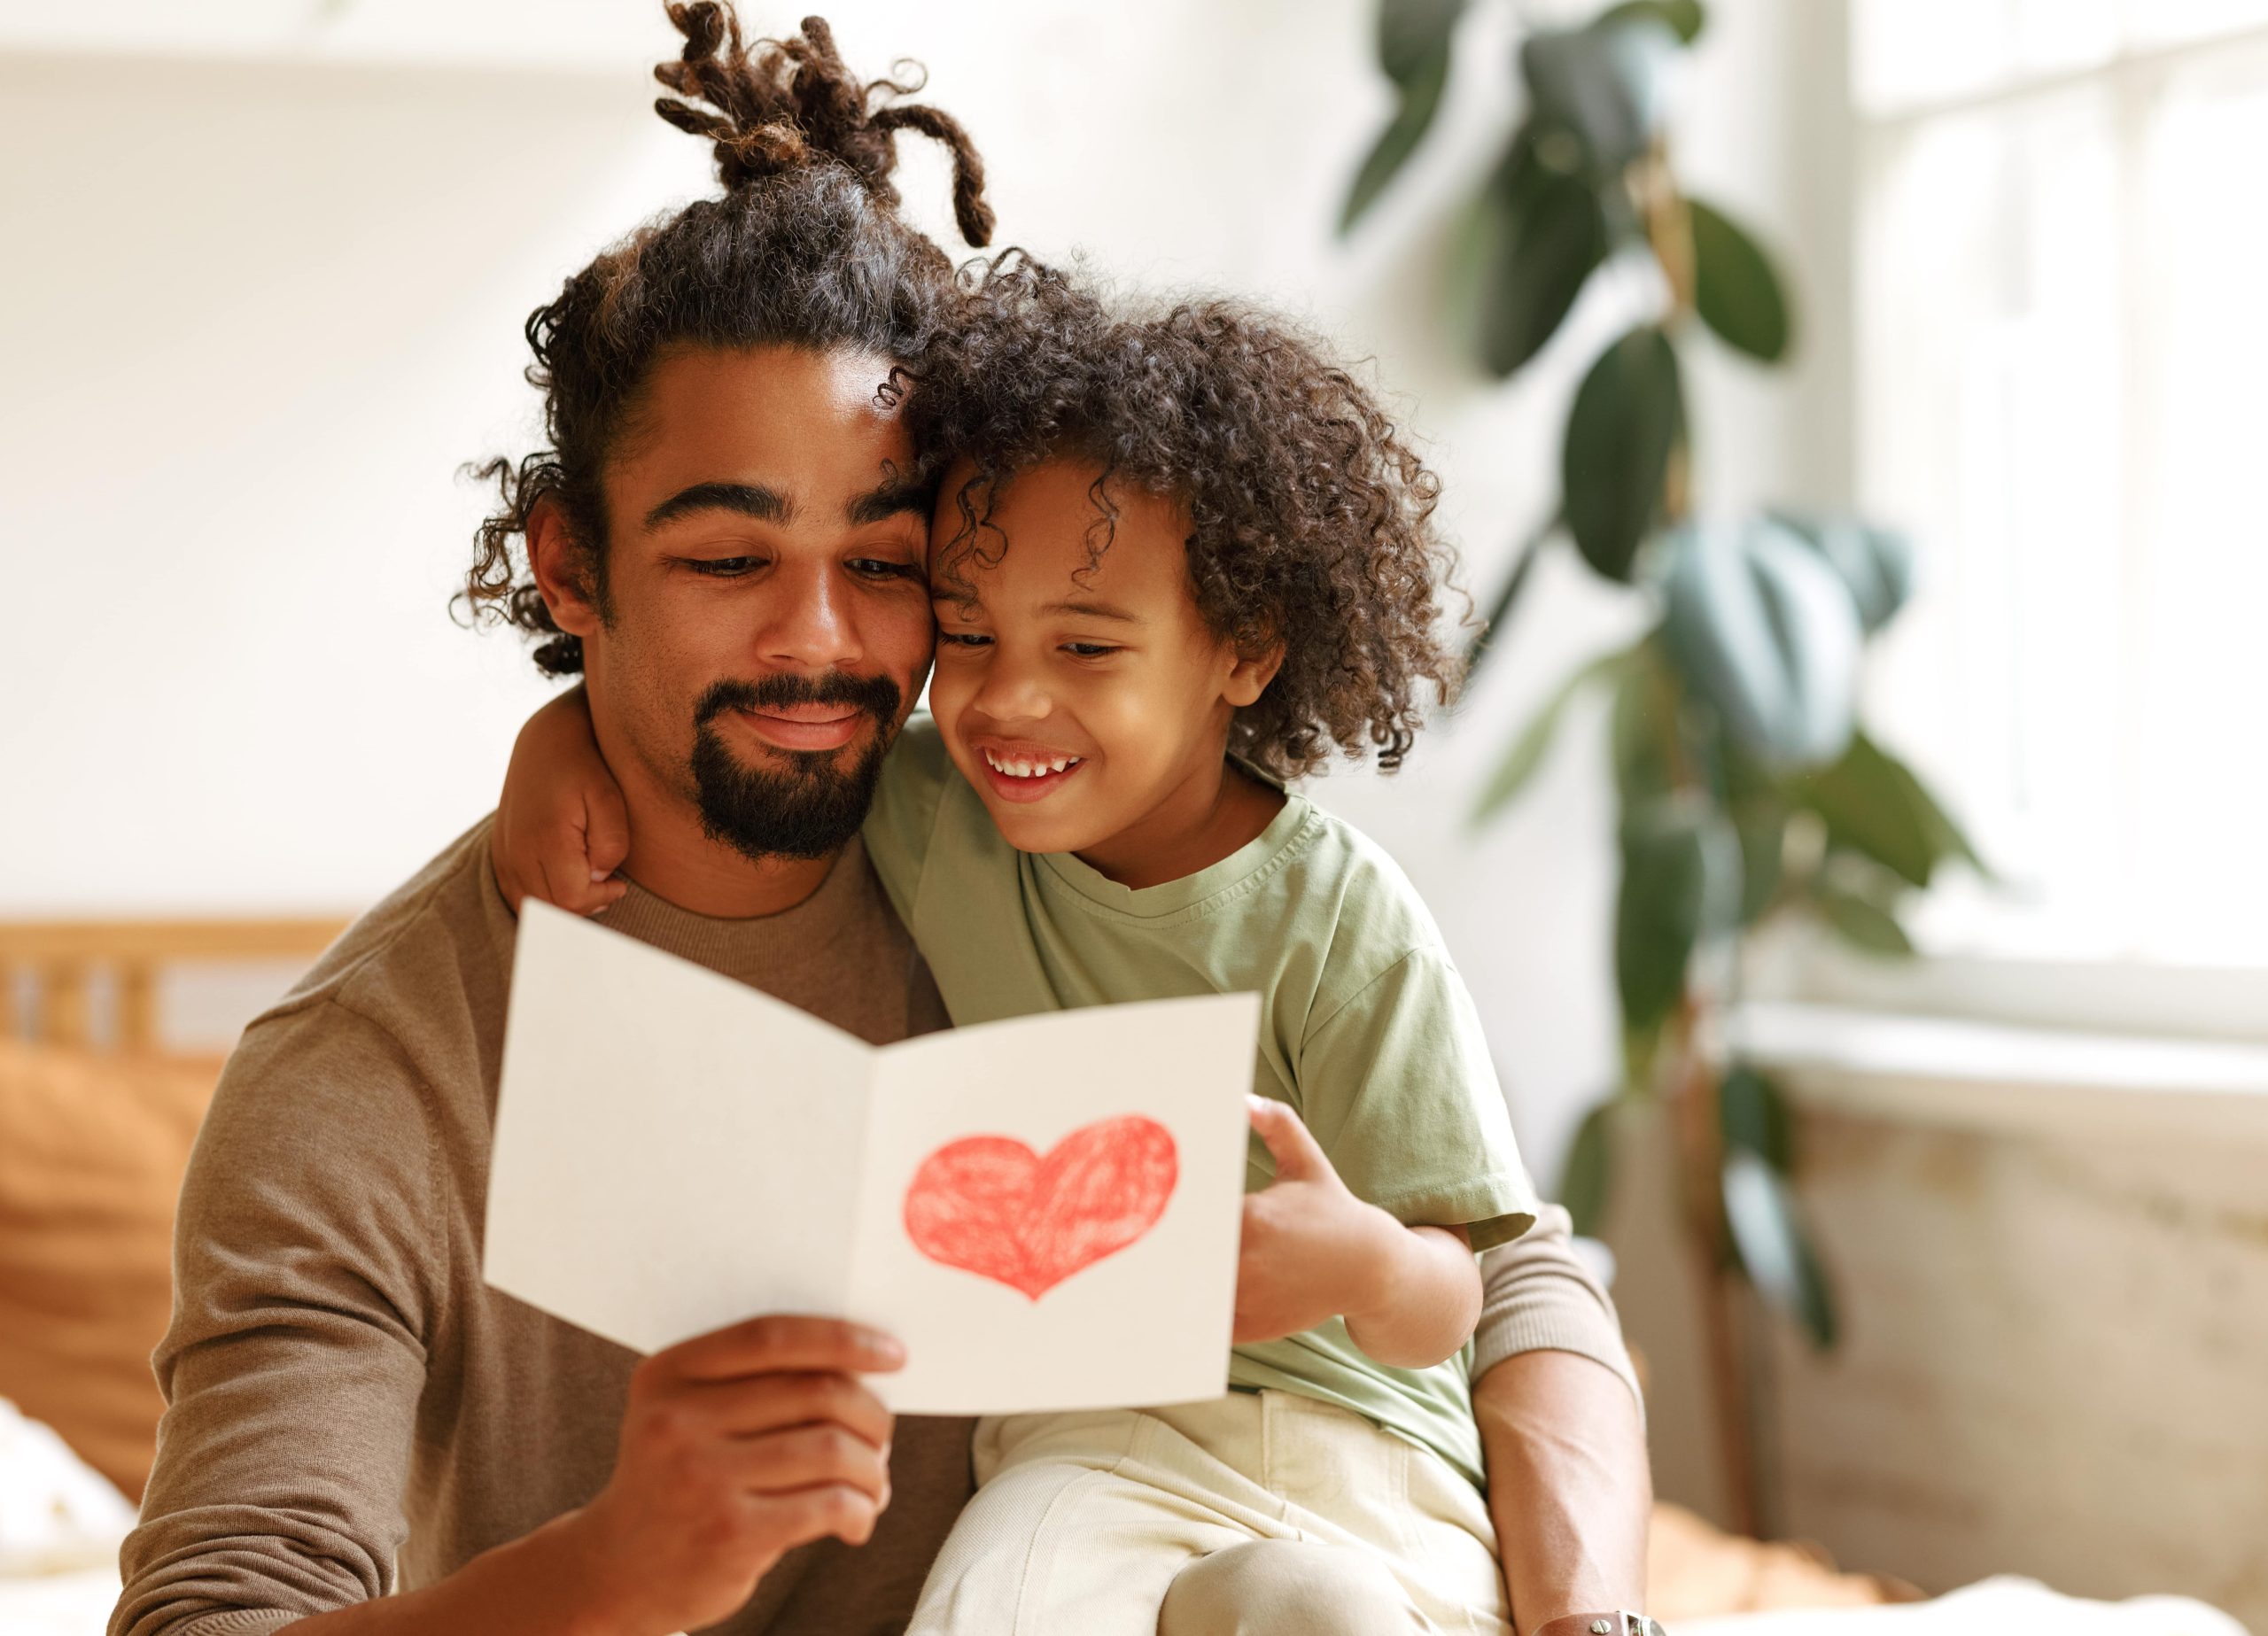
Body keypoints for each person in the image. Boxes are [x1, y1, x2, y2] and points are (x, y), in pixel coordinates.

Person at [113, 9, 1653, 1636]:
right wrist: (617, 1570)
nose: (823, 645)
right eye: (725, 561)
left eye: (891, 564)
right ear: (572, 568)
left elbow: (1509, 1270)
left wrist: (1587, 1613)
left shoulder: (1015, 854)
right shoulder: (372, 1080)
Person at [494, 256, 1563, 1632]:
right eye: (966, 632)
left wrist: (1363, 1264)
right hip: (1086, 1445)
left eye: (1088, 648)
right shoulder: (939, 812)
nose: (1008, 700)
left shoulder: (1342, 924)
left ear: (1243, 648)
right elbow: (741, 729)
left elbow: (1465, 1291)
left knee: (1314, 1609)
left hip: (1361, 1459)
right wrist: (551, 741)